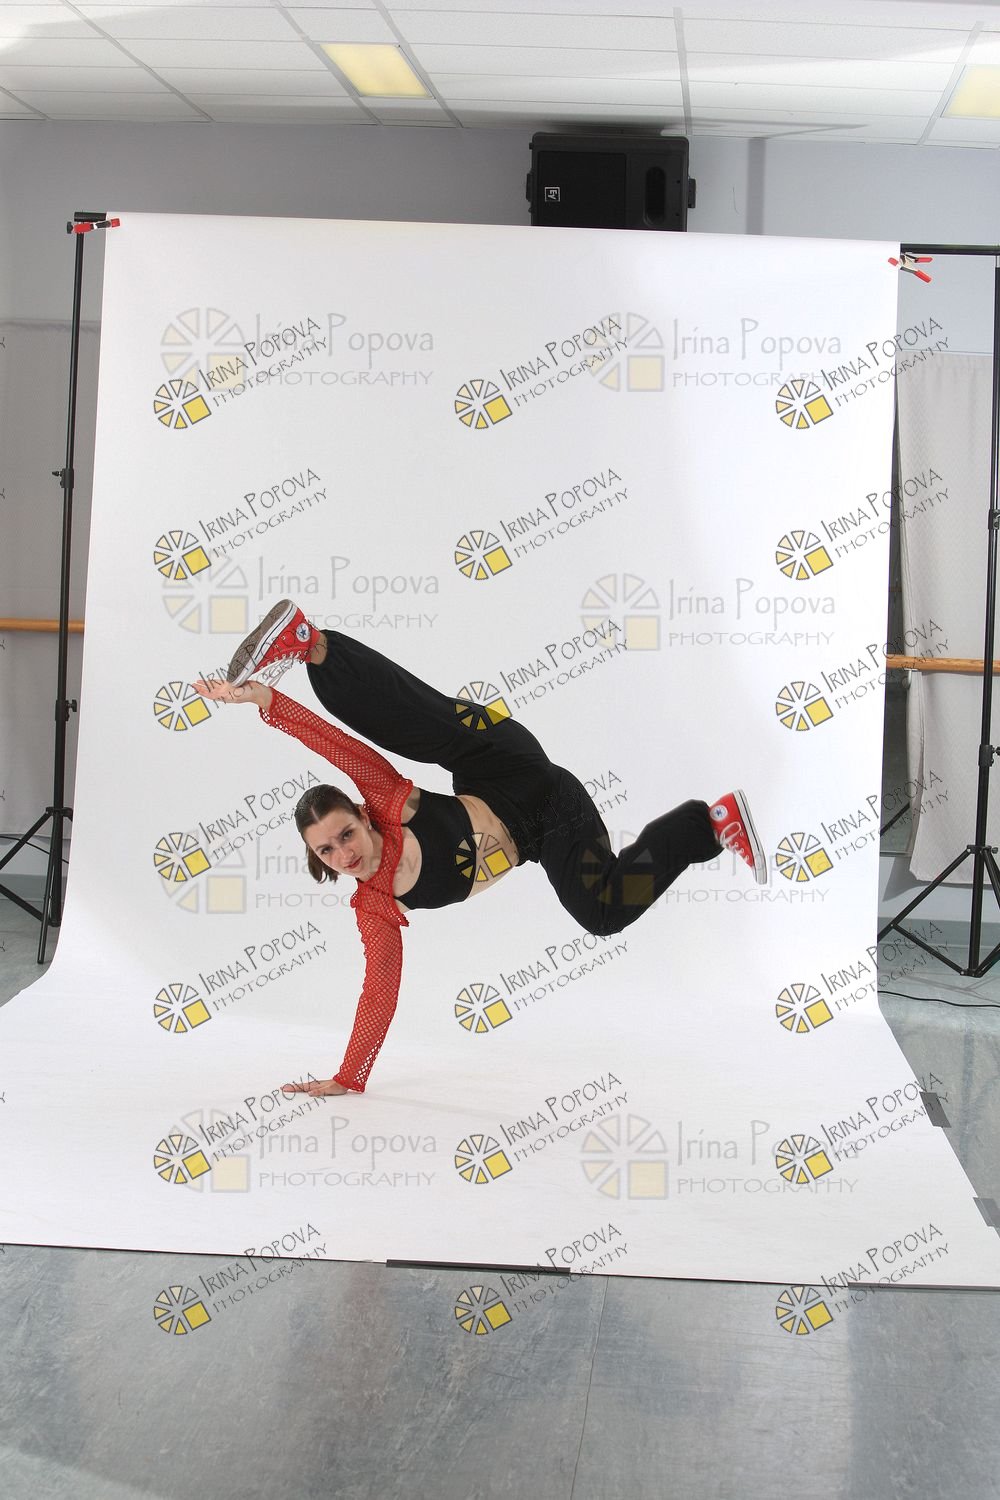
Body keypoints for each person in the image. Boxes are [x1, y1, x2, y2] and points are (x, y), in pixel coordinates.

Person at [195, 601, 766, 1098]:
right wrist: (350, 1076)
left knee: (419, 725)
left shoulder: (389, 804)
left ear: (362, 817)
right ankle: (711, 823)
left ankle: (309, 643)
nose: (343, 854)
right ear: (316, 861)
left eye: (345, 834)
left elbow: (335, 746)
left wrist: (267, 701)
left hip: (500, 761)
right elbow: (379, 991)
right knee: (602, 912)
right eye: (326, 851)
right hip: (550, 819)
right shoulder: (375, 907)